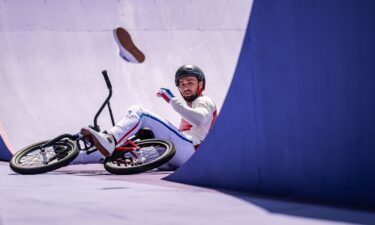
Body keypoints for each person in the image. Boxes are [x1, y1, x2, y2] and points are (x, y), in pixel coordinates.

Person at [71, 64, 217, 169]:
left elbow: (199, 119)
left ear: (201, 84)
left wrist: (172, 100)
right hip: (177, 158)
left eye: (190, 82)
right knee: (121, 153)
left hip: (191, 150)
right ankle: (71, 157)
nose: (185, 87)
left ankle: (111, 138)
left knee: (140, 113)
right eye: (181, 84)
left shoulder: (204, 101)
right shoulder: (190, 107)